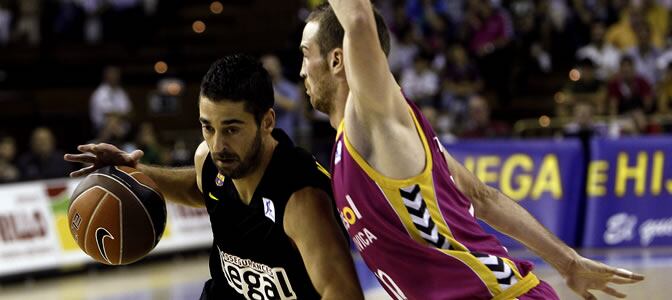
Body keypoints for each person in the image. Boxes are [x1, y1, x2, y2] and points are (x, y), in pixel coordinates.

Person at [299, 2, 644, 299]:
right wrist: (567, 262)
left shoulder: (370, 116)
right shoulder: (375, 141)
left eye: (306, 54)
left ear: (337, 60)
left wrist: (568, 261)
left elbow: (358, 18)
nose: (300, 70)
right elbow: (482, 197)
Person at [65, 55, 363, 300]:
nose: (218, 145)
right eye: (208, 127)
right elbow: (201, 188)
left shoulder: (301, 199)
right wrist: (133, 172)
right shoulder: (208, 159)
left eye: (232, 129)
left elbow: (342, 292)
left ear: (267, 122)